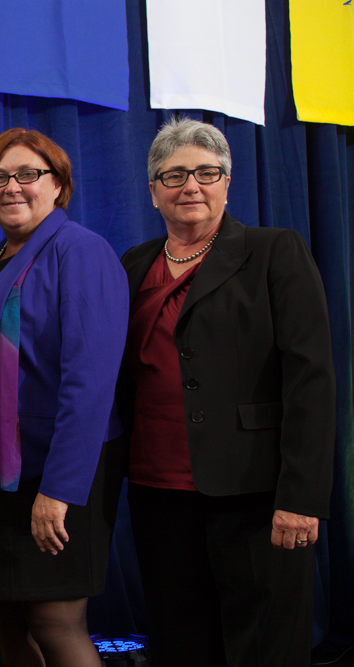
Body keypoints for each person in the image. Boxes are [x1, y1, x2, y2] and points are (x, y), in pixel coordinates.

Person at [119, 118, 335, 666]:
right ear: (152, 191)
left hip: (257, 492)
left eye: (206, 172)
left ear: (227, 182)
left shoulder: (273, 251)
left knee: (264, 645)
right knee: (181, 640)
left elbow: (311, 379)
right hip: (157, 490)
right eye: (174, 176)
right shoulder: (132, 265)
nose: (191, 185)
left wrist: (301, 497)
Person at [0, 128, 127, 667]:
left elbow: (89, 382)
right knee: (11, 615)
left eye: (28, 174)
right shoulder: (1, 256)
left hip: (56, 469)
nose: (12, 187)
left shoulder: (81, 251)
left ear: (58, 184)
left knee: (54, 620)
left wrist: (59, 490)